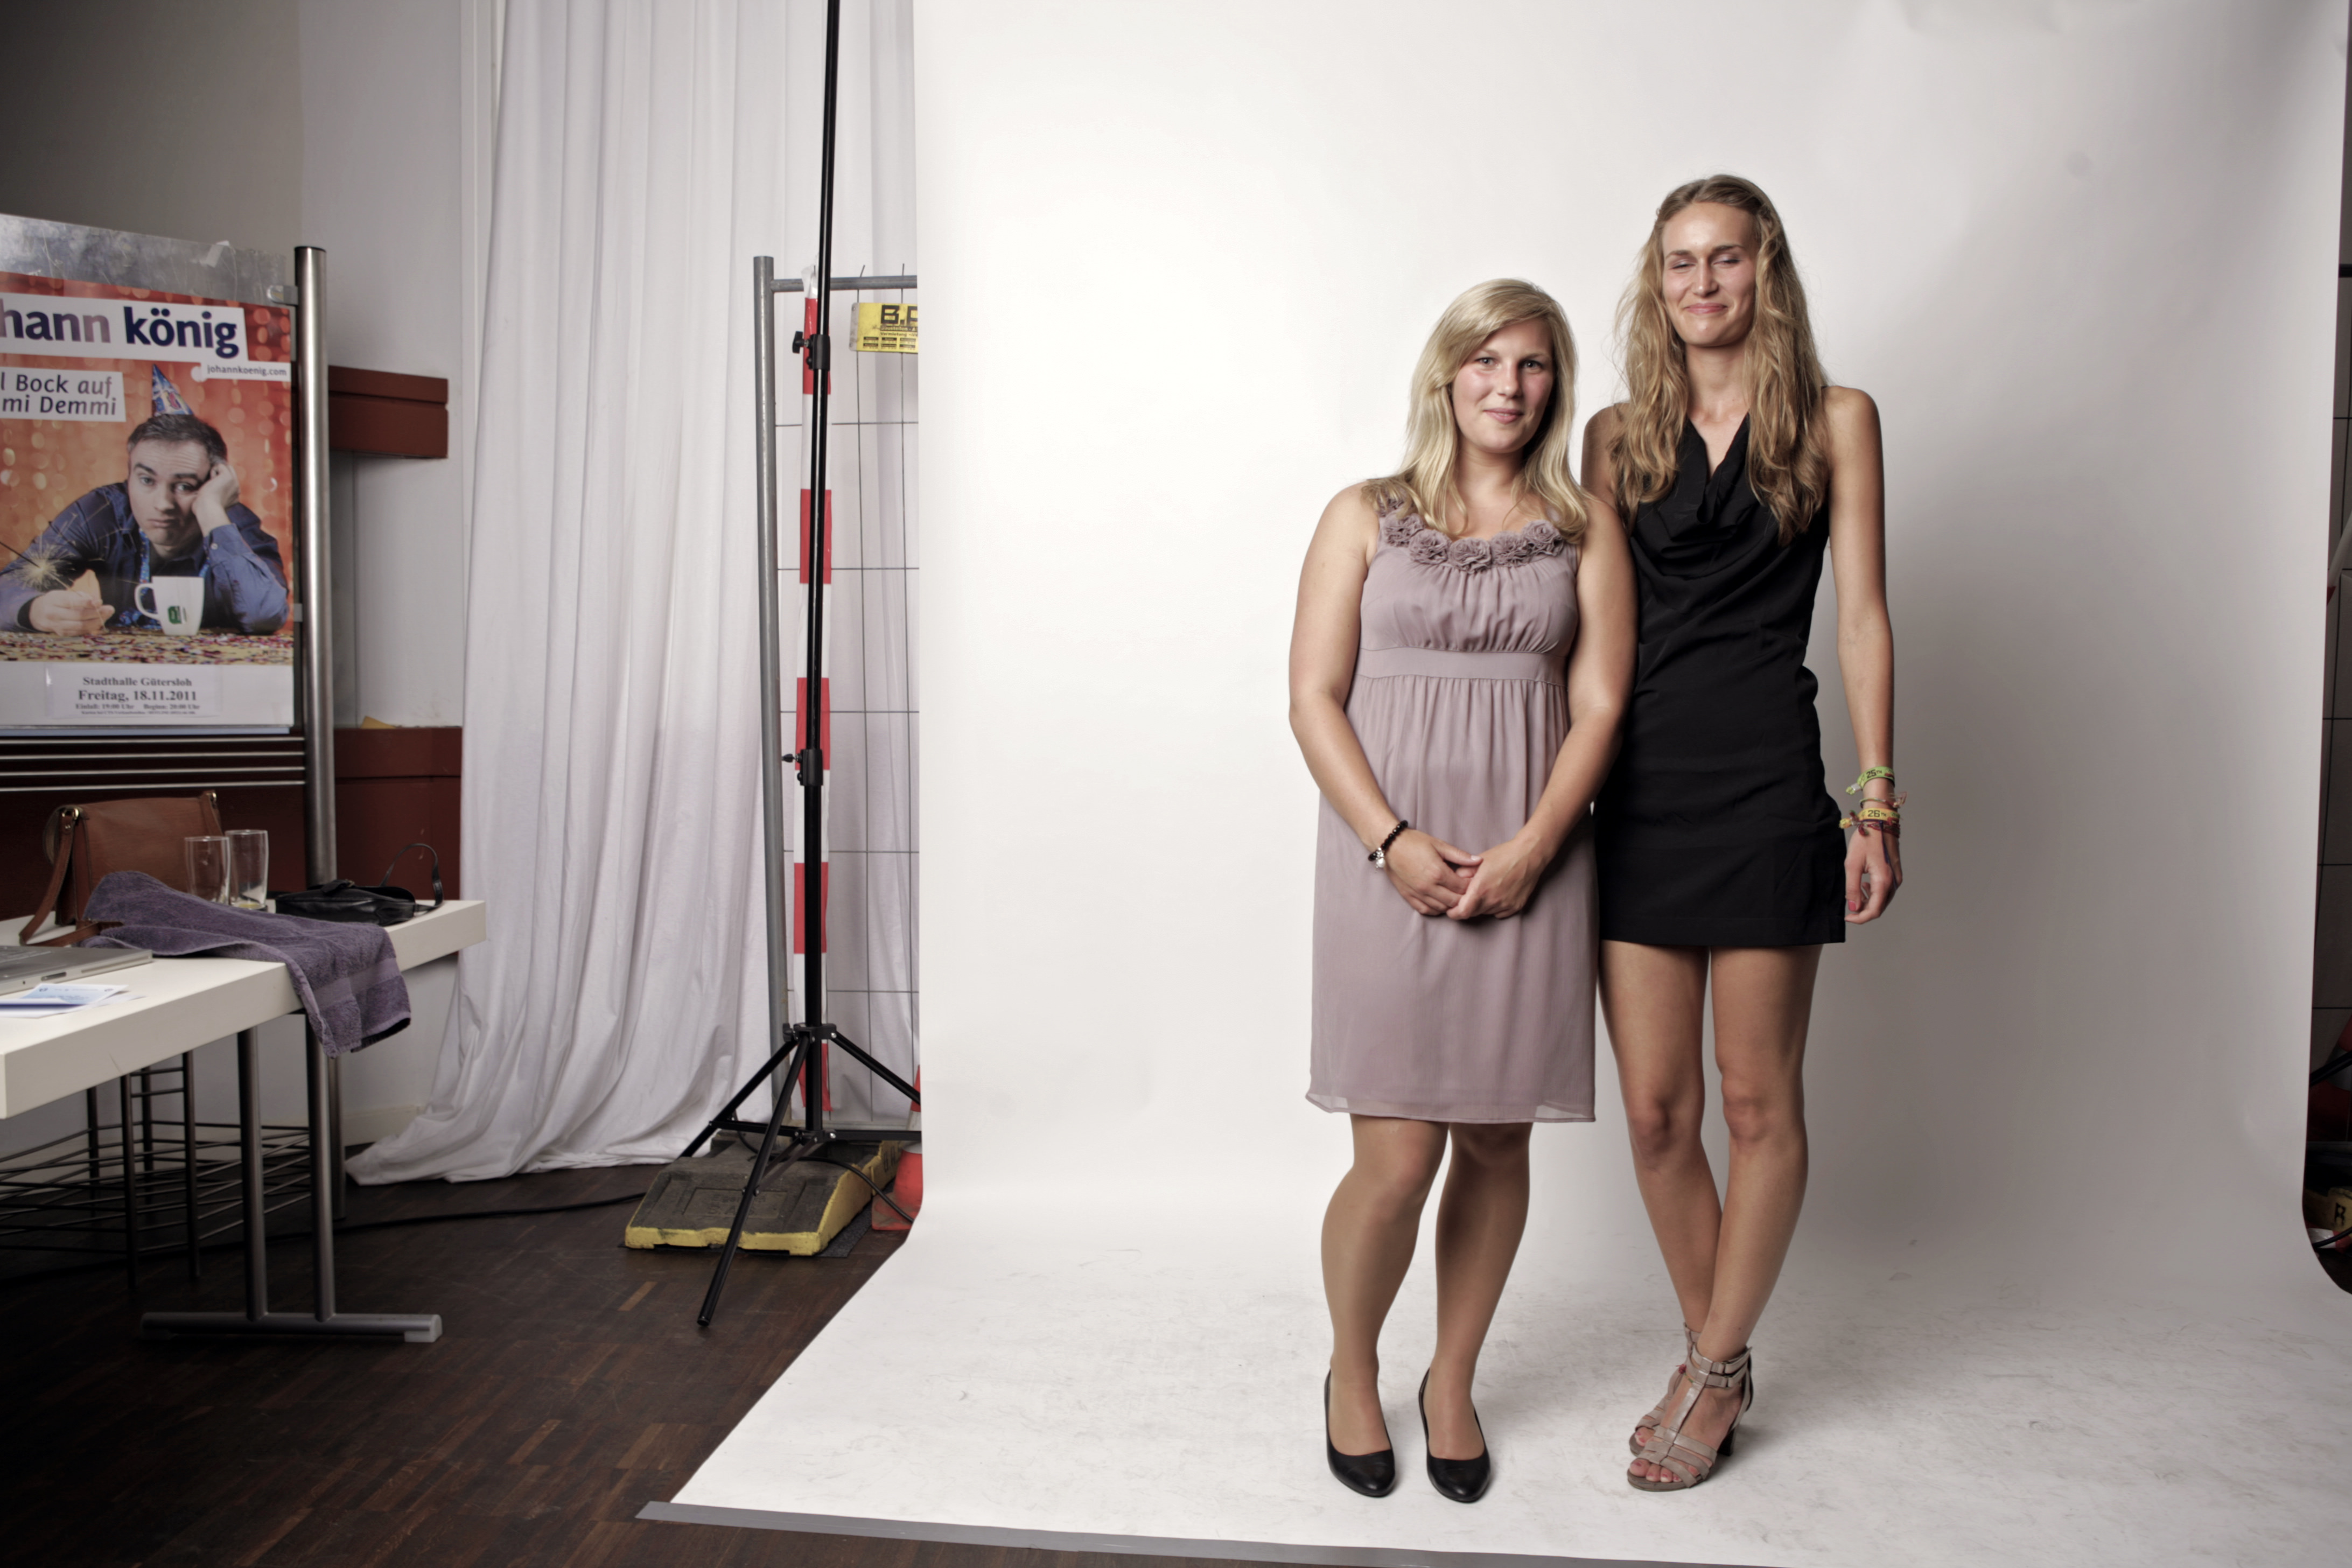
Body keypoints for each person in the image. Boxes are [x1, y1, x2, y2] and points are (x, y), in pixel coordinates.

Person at [1289, 279, 1634, 1503]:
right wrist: (1388, 840)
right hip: (1387, 860)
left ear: (1556, 385)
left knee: (1492, 1139)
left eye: (1532, 364)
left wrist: (1539, 845)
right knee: (1394, 1159)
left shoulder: (1587, 529)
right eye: (1486, 360)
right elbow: (1312, 697)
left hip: (1530, 858)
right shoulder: (1363, 514)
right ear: (1446, 374)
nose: (1508, 384)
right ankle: (1350, 1367)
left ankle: (1451, 1379)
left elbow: (1601, 703)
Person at [1584, 174, 1900, 1492]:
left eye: (1726, 258)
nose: (1702, 284)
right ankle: (1719, 1353)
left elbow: (1863, 614)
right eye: (1680, 262)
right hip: (1640, 793)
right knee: (1658, 1112)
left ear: (1766, 270)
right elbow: (1595, 645)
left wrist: (1876, 794)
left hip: (1771, 786)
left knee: (1759, 1100)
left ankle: (1711, 1372)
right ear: (1655, 283)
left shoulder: (1836, 419)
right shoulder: (1614, 437)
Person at [0, 412, 288, 636]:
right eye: (147, 480)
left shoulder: (233, 524)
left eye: (185, 485)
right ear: (129, 478)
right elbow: (10, 586)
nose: (162, 504)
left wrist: (212, 512)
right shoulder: (102, 511)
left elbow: (265, 616)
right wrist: (35, 611)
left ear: (214, 482)